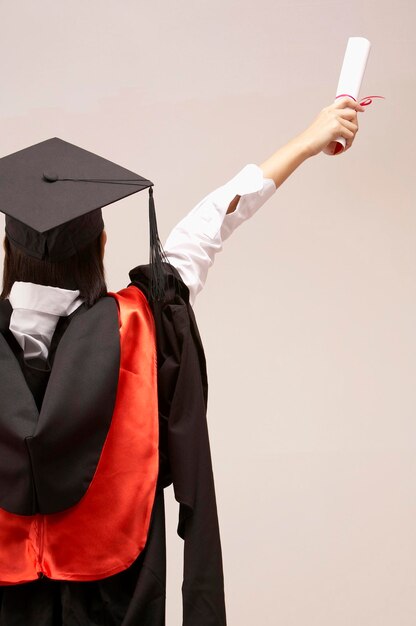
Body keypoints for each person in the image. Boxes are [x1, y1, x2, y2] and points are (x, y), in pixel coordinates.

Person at [0, 96, 364, 626]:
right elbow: (211, 225)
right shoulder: (142, 324)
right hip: (114, 591)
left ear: (9, 250)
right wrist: (309, 140)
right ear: (100, 244)